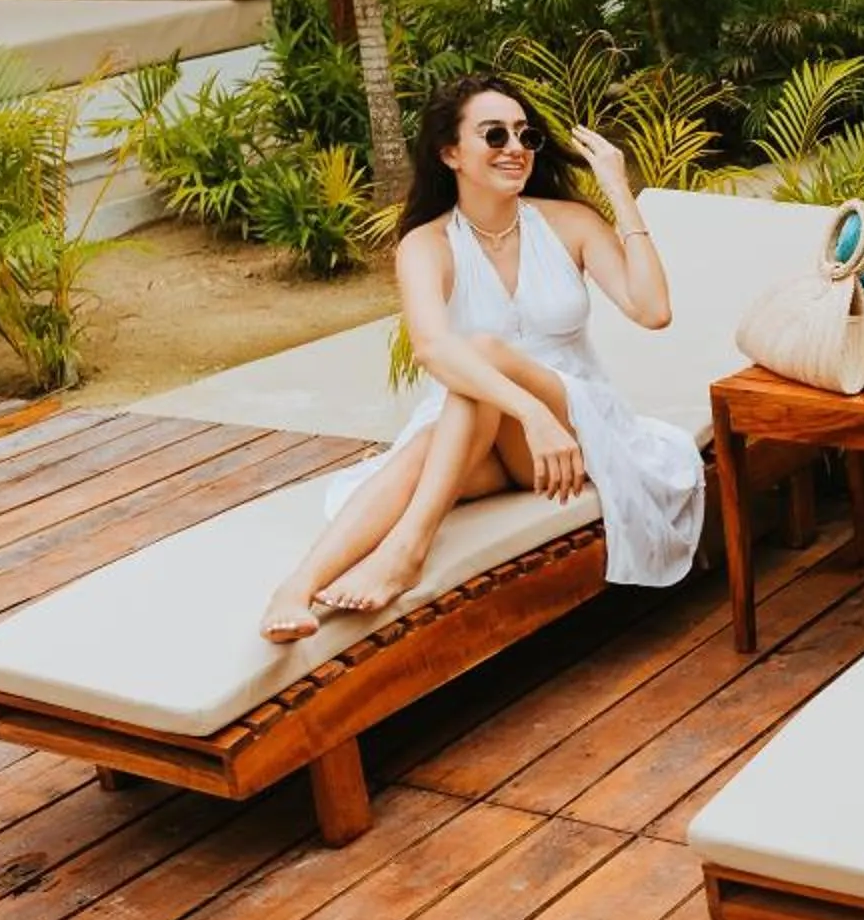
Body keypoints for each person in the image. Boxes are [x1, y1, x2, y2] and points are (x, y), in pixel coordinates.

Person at [258, 75, 703, 642]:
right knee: (443, 421)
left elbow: (653, 310)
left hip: (579, 422)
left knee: (483, 355)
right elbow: (432, 349)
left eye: (525, 135)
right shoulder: (428, 244)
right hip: (509, 433)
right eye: (494, 135)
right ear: (451, 153)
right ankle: (296, 587)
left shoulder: (570, 224)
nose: (514, 148)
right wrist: (529, 415)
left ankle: (406, 550)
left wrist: (617, 190)